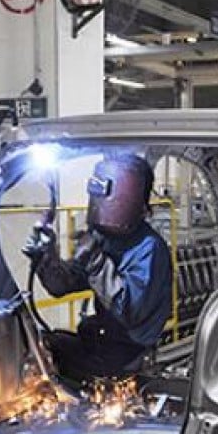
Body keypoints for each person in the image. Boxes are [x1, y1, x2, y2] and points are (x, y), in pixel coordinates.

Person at [27, 154, 172, 380]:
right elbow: (61, 287)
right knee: (38, 347)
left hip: (129, 353)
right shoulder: (104, 238)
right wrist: (45, 256)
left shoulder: (150, 249)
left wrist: (95, 260)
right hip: (101, 338)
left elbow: (129, 311)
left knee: (55, 361)